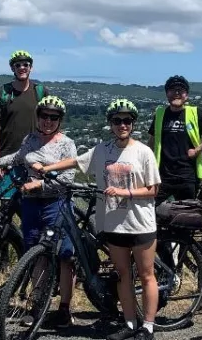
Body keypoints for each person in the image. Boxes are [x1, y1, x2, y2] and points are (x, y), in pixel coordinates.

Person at [41, 99, 161, 340]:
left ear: (133, 124)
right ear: (110, 124)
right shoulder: (101, 150)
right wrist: (47, 168)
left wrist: (125, 192)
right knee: (122, 274)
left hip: (140, 223)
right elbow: (77, 162)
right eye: (117, 121)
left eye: (127, 121)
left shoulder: (143, 152)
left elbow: (153, 189)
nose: (122, 125)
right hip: (114, 224)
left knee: (147, 275)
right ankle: (128, 324)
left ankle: (148, 326)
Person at [0, 95, 78, 328]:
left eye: (53, 117)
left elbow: (68, 179)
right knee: (35, 255)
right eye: (44, 116)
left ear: (60, 120)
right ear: (38, 117)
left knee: (65, 256)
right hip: (32, 204)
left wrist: (39, 184)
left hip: (57, 204)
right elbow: (18, 157)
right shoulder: (31, 138)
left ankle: (64, 308)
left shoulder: (67, 144)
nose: (48, 121)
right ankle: (37, 305)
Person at [147, 75, 202, 203]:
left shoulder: (195, 112)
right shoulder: (160, 114)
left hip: (187, 177)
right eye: (172, 90)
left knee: (187, 218)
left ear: (186, 95)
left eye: (180, 90)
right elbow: (151, 142)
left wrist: (198, 149)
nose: (176, 93)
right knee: (151, 213)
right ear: (167, 93)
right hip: (162, 176)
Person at [0, 50, 49, 200]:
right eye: (18, 65)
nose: (22, 67)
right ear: (12, 68)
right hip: (7, 160)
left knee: (34, 208)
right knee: (6, 209)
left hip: (35, 160)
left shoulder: (40, 92)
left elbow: (51, 124)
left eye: (25, 64)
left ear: (31, 68)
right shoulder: (2, 93)